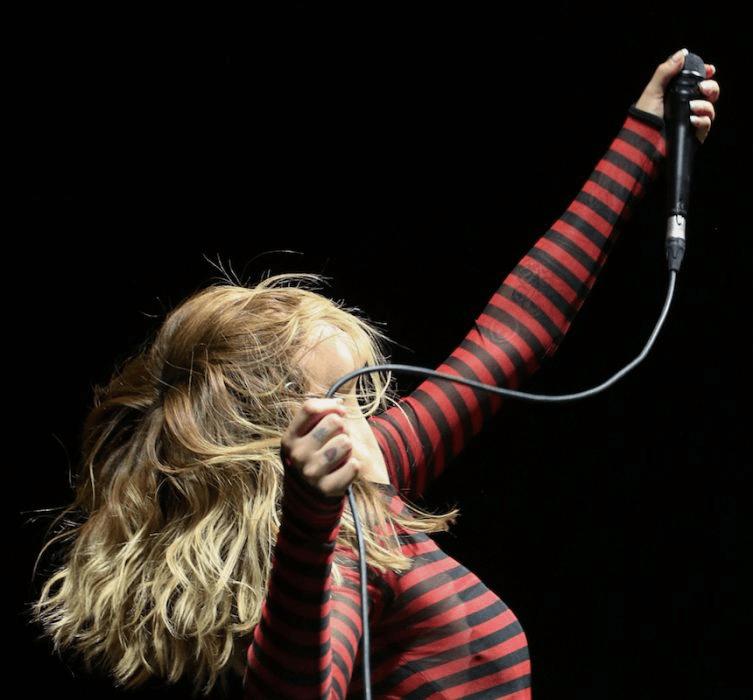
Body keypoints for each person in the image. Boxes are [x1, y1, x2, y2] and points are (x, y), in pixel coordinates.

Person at [33, 49, 719, 699]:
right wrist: (310, 523)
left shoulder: (369, 474)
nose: (372, 419)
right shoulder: (330, 552)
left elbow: (512, 335)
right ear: (279, 432)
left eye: (365, 396)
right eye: (346, 397)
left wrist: (645, 134)